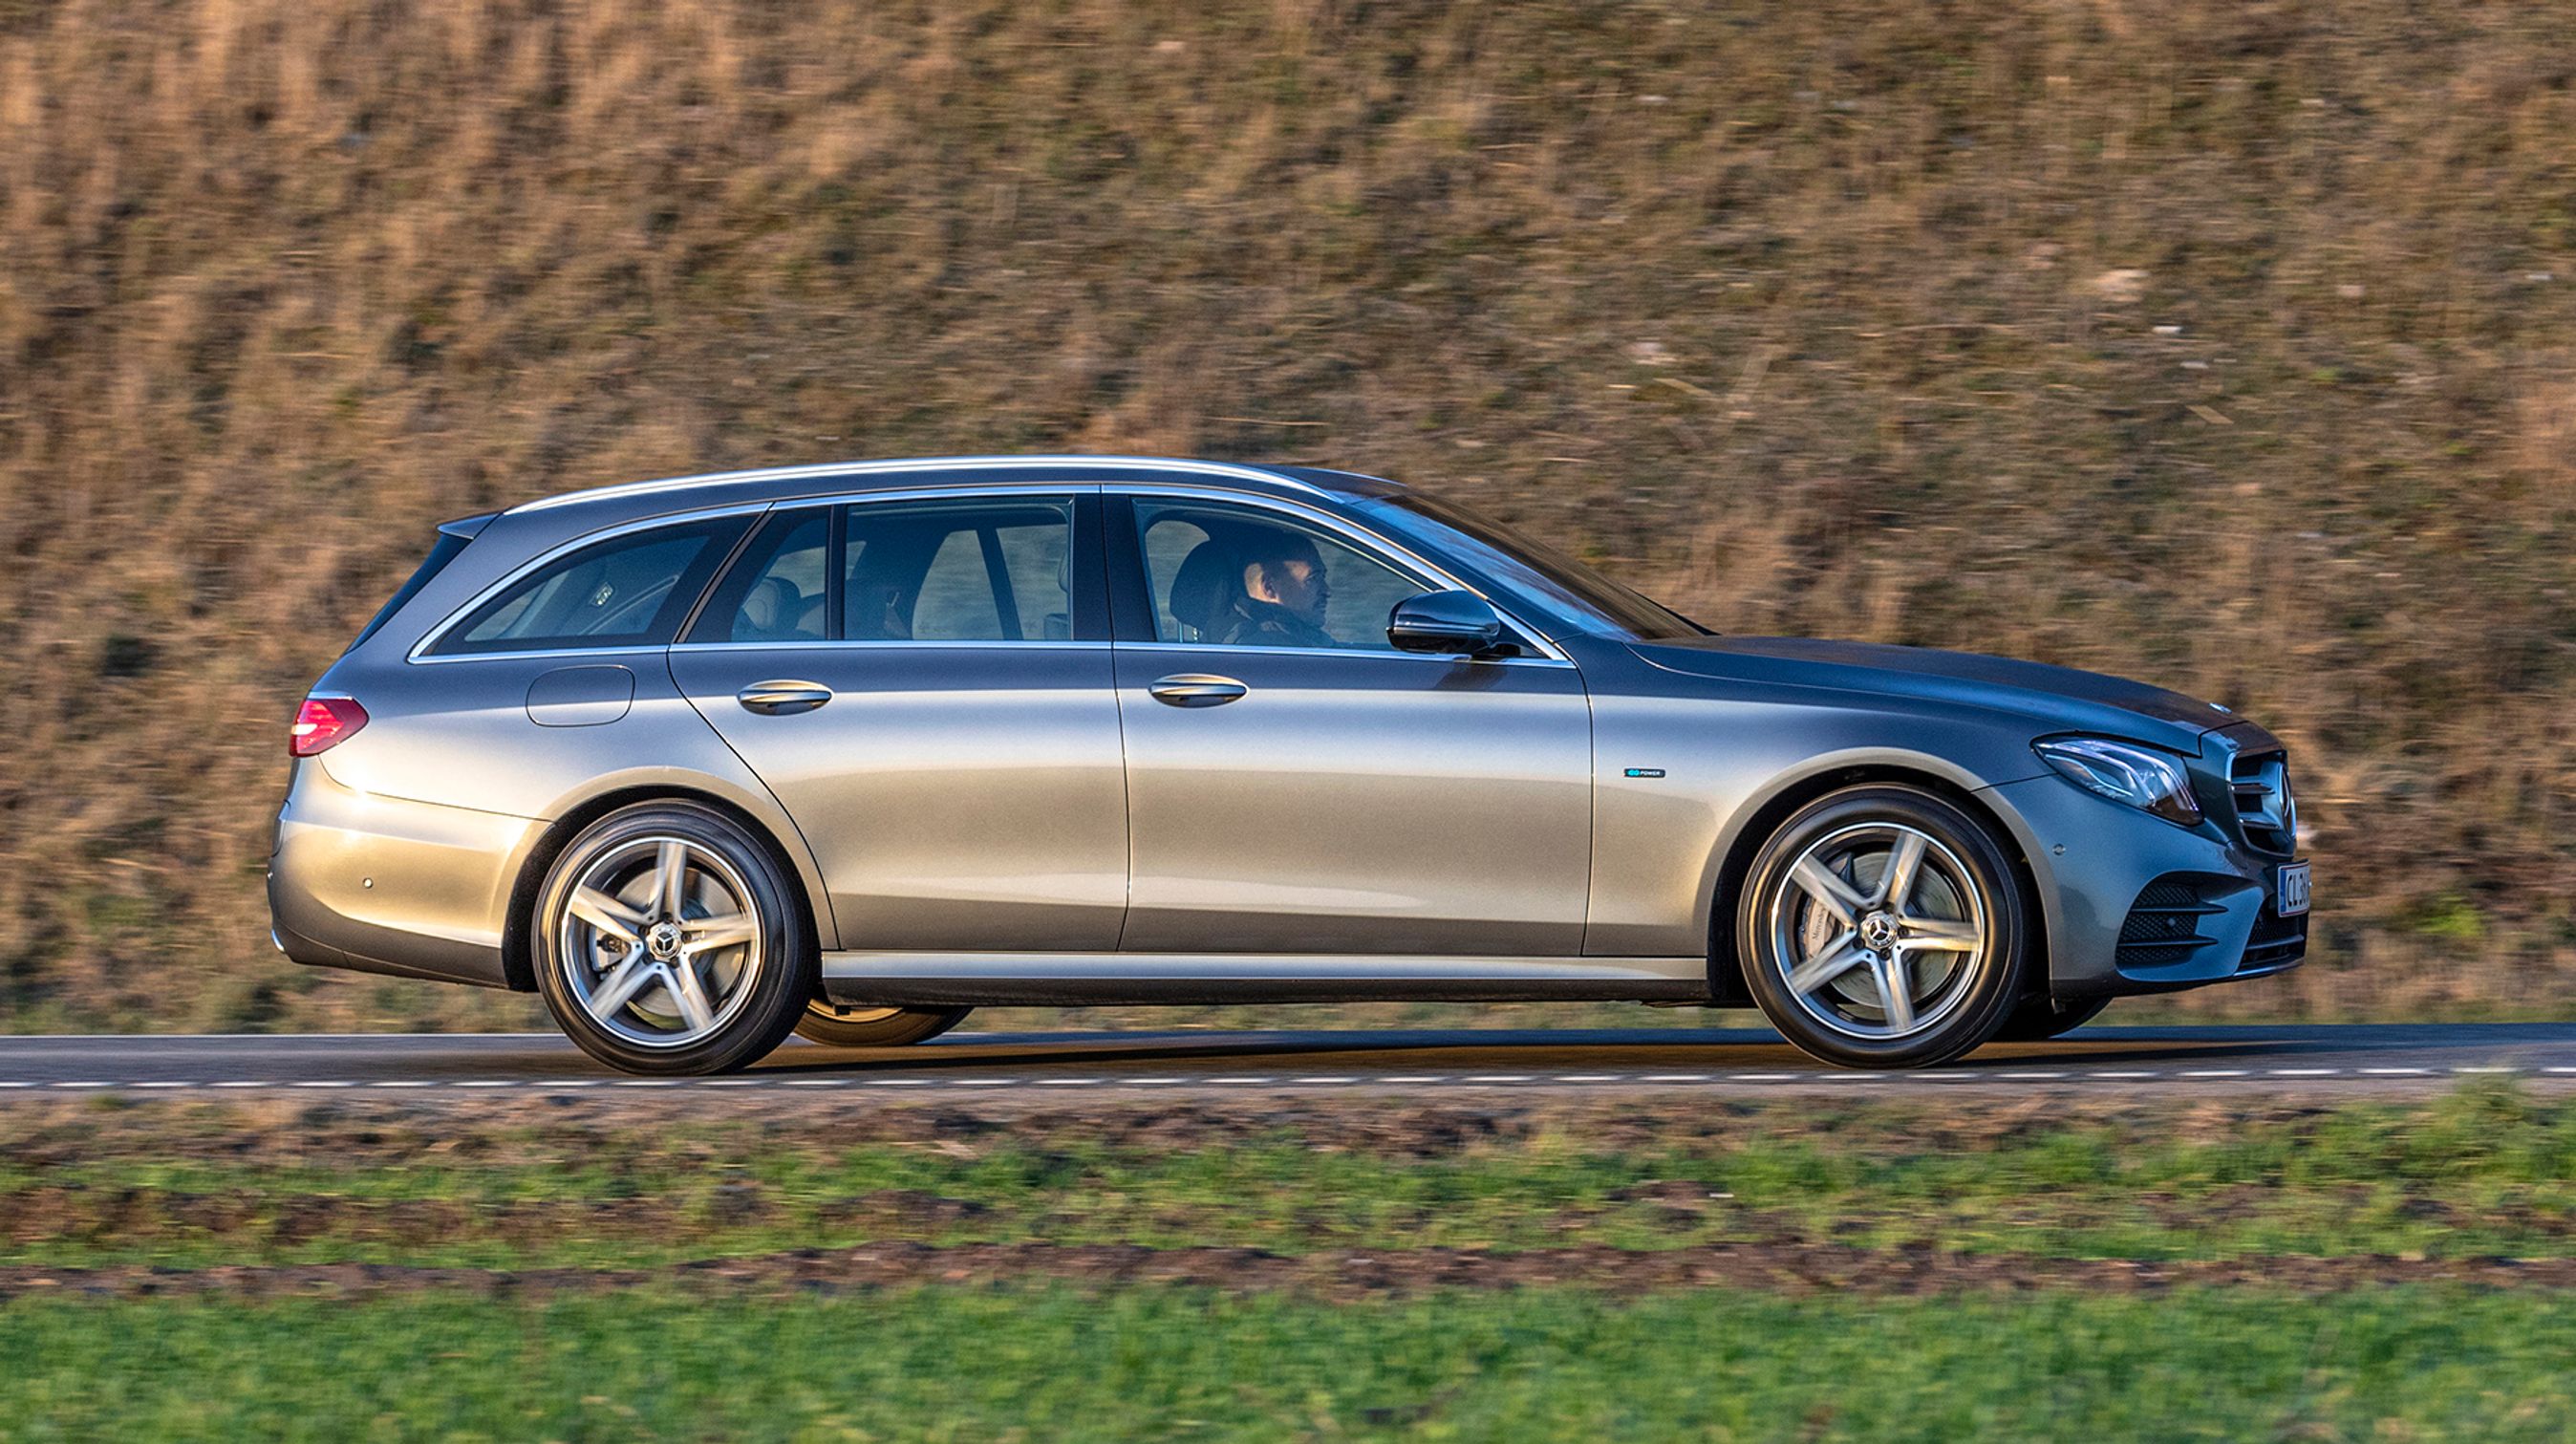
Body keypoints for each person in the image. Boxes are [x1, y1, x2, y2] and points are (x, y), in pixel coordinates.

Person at [1217, 529, 1335, 648]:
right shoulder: (1265, 649)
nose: (1327, 591)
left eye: (1322, 577)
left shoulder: (1291, 639)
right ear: (1270, 587)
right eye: (1312, 579)